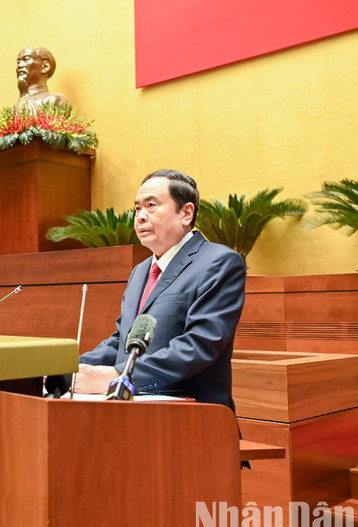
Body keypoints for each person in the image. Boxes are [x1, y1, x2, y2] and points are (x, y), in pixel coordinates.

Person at [68, 169, 246, 409]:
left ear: (186, 213)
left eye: (151, 206)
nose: (140, 216)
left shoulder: (219, 262)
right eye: (137, 208)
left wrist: (119, 375)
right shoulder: (140, 271)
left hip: (191, 414)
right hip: (136, 412)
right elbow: (122, 341)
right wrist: (67, 369)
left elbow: (199, 345)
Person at [15, 47, 71, 111]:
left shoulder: (55, 100)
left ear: (45, 66)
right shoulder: (13, 109)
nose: (19, 65)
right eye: (18, 62)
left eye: (26, 59)